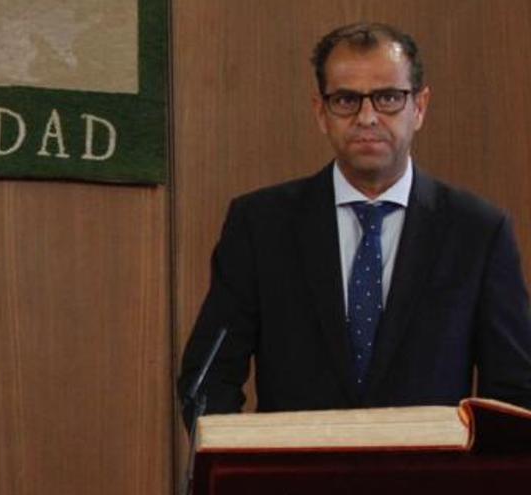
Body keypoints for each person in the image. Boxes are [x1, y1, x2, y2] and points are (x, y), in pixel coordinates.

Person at [179, 22, 531, 421]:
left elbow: (515, 392)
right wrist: (237, 458)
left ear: (419, 107)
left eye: (388, 98)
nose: (367, 117)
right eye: (346, 100)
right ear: (321, 111)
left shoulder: (477, 232)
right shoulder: (261, 226)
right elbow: (208, 378)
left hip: (431, 462)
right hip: (293, 463)